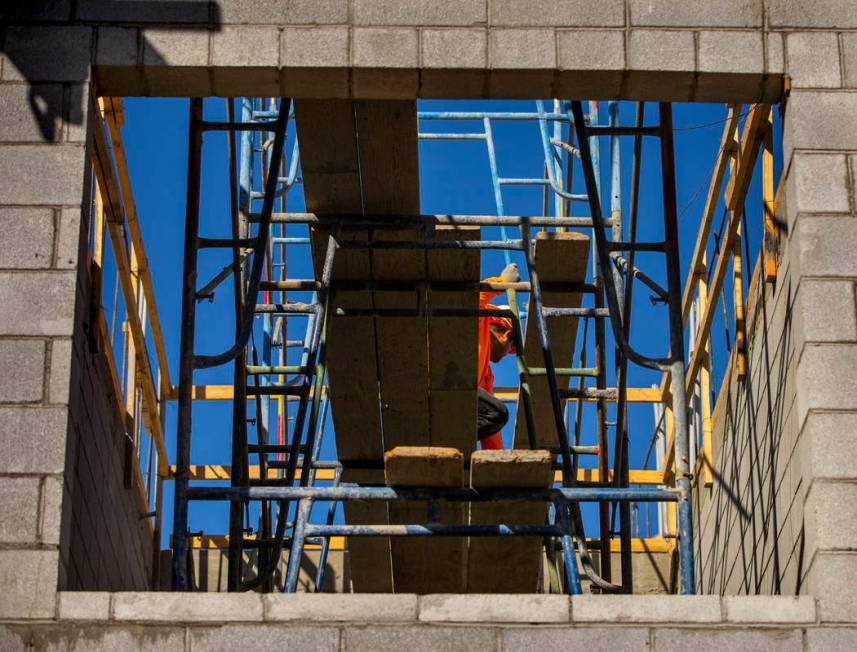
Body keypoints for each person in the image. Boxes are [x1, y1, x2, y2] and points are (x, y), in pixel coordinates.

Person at [476, 262, 521, 450]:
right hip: (437, 378)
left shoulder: (485, 375)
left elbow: (491, 429)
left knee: (494, 412)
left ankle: (452, 437)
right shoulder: (478, 318)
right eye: (512, 347)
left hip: (450, 400)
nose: (509, 354)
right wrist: (502, 282)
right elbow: (470, 296)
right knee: (497, 412)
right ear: (507, 335)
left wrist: (497, 460)